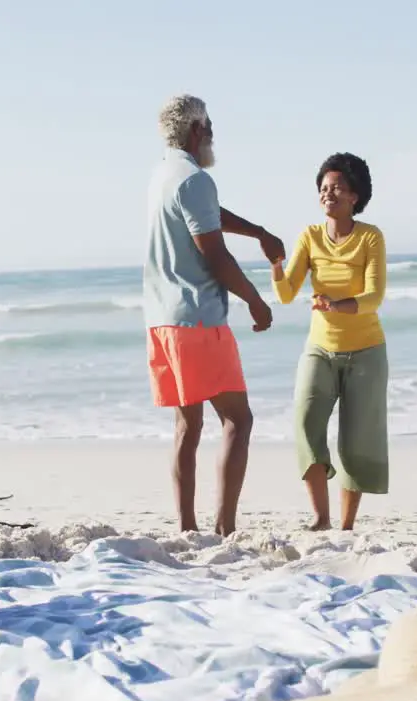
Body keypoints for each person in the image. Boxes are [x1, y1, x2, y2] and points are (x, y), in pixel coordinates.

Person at [143, 94, 286, 536]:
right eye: (209, 126)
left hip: (162, 318)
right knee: (238, 420)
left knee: (188, 424)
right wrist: (255, 300)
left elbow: (205, 218)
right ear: (196, 130)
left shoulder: (163, 174)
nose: (212, 134)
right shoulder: (195, 179)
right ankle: (225, 529)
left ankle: (187, 528)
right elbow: (216, 257)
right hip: (198, 320)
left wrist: (257, 231)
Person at [271, 152, 388, 531]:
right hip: (319, 348)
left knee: (356, 442)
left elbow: (374, 297)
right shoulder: (309, 236)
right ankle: (321, 518)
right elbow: (287, 293)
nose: (328, 193)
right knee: (306, 425)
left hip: (366, 351)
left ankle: (346, 526)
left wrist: (338, 304)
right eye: (323, 188)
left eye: (337, 187)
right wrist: (275, 266)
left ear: (355, 195)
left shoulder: (370, 237)